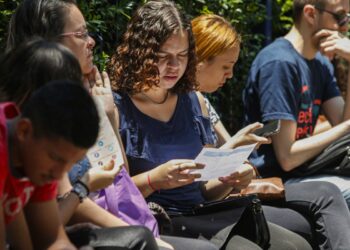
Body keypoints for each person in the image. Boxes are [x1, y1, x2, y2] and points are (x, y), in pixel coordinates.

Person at [6, 1, 218, 249]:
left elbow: (118, 180)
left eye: (182, 56)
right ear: (47, 42)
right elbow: (47, 229)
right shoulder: (26, 121)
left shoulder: (89, 97)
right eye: (80, 33)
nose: (92, 40)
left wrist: (108, 117)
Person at [108, 1, 312, 249]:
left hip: (203, 215)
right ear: (141, 52)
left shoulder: (194, 101)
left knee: (296, 244)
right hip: (159, 221)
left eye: (182, 56)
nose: (175, 66)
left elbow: (205, 189)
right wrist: (154, 180)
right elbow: (113, 196)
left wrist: (232, 178)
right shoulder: (116, 108)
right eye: (164, 56)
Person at [192, 13, 350, 249]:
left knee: (317, 209)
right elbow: (285, 157)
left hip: (238, 189)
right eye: (226, 66)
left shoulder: (201, 101)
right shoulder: (279, 63)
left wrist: (239, 153)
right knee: (328, 195)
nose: (231, 75)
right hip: (258, 185)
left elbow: (232, 162)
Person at [242, 0, 350, 208]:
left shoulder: (320, 63)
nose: (344, 27)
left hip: (306, 171)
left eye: (347, 18)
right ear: (310, 14)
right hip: (274, 179)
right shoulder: (279, 63)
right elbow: (287, 157)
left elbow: (343, 127)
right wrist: (347, 126)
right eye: (339, 17)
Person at [0, 77, 100, 250]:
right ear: (24, 131)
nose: (60, 174)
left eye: (72, 163)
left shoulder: (37, 160)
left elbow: (52, 240)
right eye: (57, 158)